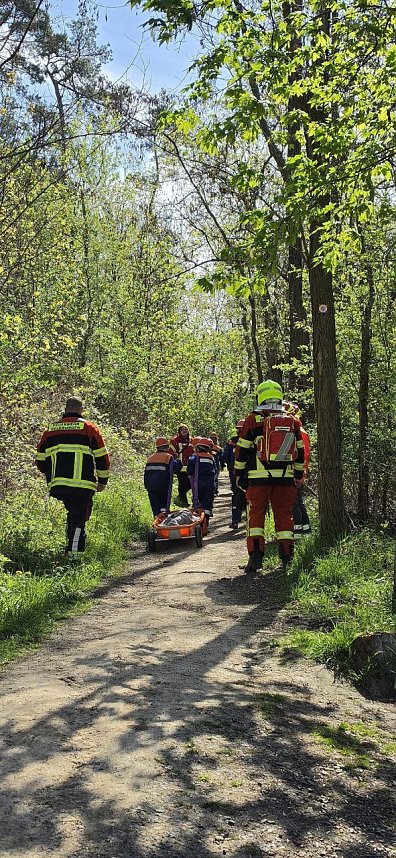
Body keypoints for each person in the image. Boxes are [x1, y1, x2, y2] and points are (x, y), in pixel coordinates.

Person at [234, 380, 305, 572]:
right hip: (285, 479)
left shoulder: (254, 418)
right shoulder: (292, 420)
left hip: (258, 480)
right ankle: (287, 557)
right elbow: (300, 450)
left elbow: (242, 449)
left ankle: (255, 558)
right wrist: (298, 474)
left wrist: (239, 474)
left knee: (255, 516)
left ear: (260, 395)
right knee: (284, 516)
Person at [35, 396, 110, 553]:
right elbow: (102, 457)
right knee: (78, 519)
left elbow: (40, 459)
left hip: (58, 484)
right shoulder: (89, 429)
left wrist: (51, 475)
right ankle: (74, 556)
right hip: (82, 485)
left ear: (65, 409)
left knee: (74, 515)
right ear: (81, 409)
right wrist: (102, 481)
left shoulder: (50, 430)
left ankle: (71, 548)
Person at [284, 402, 312, 538]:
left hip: (296, 471)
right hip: (298, 470)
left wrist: (299, 472)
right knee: (297, 501)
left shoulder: (299, 432)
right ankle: (305, 530)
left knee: (293, 502)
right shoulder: (299, 431)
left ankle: (297, 532)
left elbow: (302, 454)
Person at [144, 437, 182, 517]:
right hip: (163, 487)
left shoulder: (150, 458)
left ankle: (157, 524)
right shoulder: (168, 457)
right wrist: (177, 459)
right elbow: (177, 468)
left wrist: (146, 486)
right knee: (163, 508)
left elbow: (146, 474)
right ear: (167, 448)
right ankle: (163, 525)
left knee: (156, 509)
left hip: (151, 487)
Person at [187, 437, 216, 528]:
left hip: (198, 483)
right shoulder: (211, 457)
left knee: (197, 502)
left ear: (198, 447)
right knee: (207, 504)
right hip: (210, 484)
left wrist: (189, 474)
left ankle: (197, 522)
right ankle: (205, 524)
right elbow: (215, 470)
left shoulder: (194, 456)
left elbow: (190, 467)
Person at [223, 419, 247, 529]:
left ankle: (237, 521)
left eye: (240, 429)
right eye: (238, 429)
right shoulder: (232, 441)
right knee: (242, 496)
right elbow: (225, 457)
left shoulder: (233, 441)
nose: (239, 431)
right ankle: (238, 520)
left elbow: (225, 458)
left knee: (239, 496)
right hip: (241, 474)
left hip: (242, 474)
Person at [169, 424, 194, 506]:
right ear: (179, 431)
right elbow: (170, 453)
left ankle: (180, 498)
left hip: (190, 468)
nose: (184, 431)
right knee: (182, 484)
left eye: (186, 429)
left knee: (190, 484)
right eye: (182, 429)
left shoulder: (191, 440)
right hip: (180, 468)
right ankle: (184, 502)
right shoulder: (174, 441)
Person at [208, 431, 224, 495]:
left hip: (216, 465)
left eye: (214, 438)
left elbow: (221, 458)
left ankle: (215, 491)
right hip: (208, 465)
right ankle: (211, 491)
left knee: (215, 478)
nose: (213, 439)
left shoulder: (218, 448)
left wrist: (222, 466)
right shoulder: (206, 446)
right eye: (212, 438)